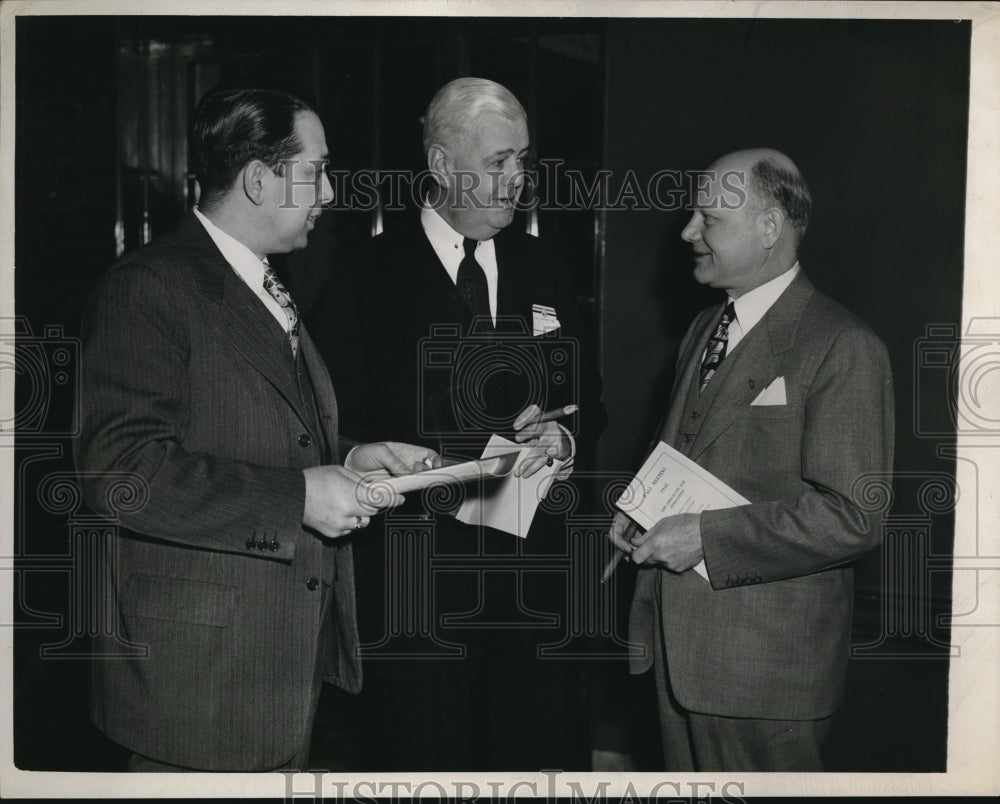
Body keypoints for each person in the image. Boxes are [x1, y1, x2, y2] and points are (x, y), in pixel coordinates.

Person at [74, 85, 439, 772]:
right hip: (198, 686)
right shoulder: (149, 287)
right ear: (258, 179)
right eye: (317, 171)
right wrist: (300, 498)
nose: (328, 193)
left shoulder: (259, 282)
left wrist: (357, 457)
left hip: (270, 666)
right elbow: (121, 471)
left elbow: (264, 432)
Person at [309, 77, 606, 770]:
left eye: (523, 160)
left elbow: (587, 392)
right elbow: (325, 428)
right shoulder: (363, 277)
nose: (518, 180)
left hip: (535, 598)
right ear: (442, 166)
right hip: (418, 602)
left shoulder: (545, 266)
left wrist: (564, 436)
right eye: (498, 161)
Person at [609, 149, 894, 771]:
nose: (687, 231)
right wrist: (643, 509)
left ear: (769, 229)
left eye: (707, 218)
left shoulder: (843, 347)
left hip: (764, 674)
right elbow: (690, 449)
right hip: (679, 653)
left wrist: (704, 537)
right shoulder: (705, 328)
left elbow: (854, 517)